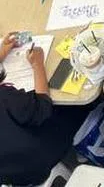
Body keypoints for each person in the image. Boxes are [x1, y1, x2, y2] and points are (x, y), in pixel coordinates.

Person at [0, 33, 75, 187]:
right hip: (42, 156)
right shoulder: (5, 97)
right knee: (72, 103)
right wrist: (37, 64)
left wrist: (2, 52)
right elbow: (42, 108)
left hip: (15, 178)